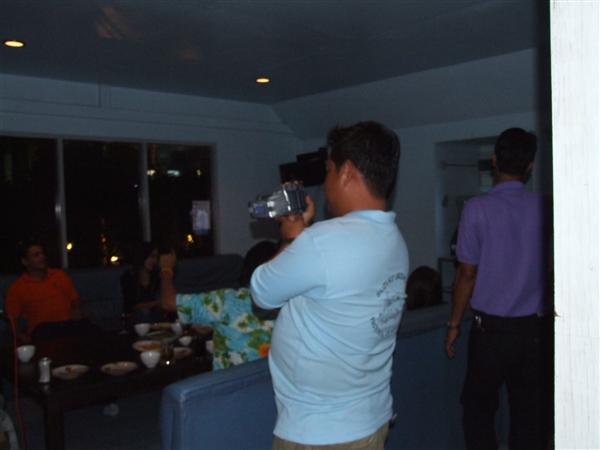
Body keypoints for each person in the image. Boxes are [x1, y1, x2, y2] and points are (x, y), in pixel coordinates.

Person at [250, 121, 409, 449]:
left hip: (321, 433)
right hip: (370, 419)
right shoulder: (394, 240)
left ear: (347, 172)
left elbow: (261, 293)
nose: (326, 184)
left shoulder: (321, 242)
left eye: (328, 172)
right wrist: (303, 236)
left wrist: (291, 237)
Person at [444, 128, 551, 450]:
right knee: (530, 416)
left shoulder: (476, 208)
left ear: (494, 160)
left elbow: (467, 274)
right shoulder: (545, 207)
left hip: (490, 332)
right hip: (534, 331)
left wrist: (453, 325)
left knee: (478, 411)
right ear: (530, 165)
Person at [159, 252, 275, 370]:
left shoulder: (228, 300)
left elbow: (169, 302)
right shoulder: (285, 304)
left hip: (230, 380)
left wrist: (166, 270)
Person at [4, 241, 90, 342]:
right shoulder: (17, 288)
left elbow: (75, 300)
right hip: (44, 329)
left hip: (68, 324)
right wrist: (21, 336)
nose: (42, 257)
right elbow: (11, 319)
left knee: (92, 330)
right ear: (25, 261)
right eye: (36, 255)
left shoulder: (59, 275)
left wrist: (76, 309)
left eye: (42, 254)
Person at [120, 242, 168, 325]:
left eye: (156, 257)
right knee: (144, 312)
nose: (154, 261)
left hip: (154, 315)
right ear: (142, 256)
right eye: (151, 256)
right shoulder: (129, 276)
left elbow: (163, 298)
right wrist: (157, 303)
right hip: (135, 318)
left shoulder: (156, 276)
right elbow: (132, 306)